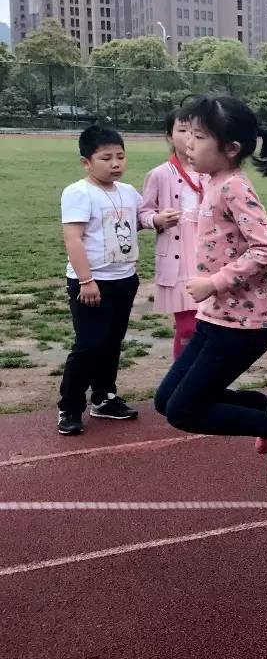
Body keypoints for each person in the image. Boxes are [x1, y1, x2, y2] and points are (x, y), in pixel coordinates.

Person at [152, 95, 267, 475]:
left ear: (230, 149)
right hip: (214, 318)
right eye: (186, 134)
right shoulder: (211, 178)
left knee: (185, 411)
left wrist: (215, 281)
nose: (187, 144)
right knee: (166, 401)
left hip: (245, 327)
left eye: (198, 137)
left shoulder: (234, 187)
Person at [56, 126, 146, 436]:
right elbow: (73, 239)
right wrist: (86, 281)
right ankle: (69, 406)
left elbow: (141, 218)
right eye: (106, 158)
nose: (115, 163)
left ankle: (104, 397)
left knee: (111, 342)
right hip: (93, 282)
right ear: (86, 162)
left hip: (124, 278)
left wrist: (156, 219)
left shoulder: (127, 191)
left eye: (120, 156)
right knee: (89, 344)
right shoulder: (79, 192)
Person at [138, 109, 208, 360]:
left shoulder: (211, 170)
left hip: (209, 255)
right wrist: (156, 219)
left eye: (195, 131)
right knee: (188, 327)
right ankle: (182, 382)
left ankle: (204, 381)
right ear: (169, 137)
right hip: (178, 259)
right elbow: (142, 213)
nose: (189, 136)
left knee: (209, 325)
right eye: (182, 130)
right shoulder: (159, 174)